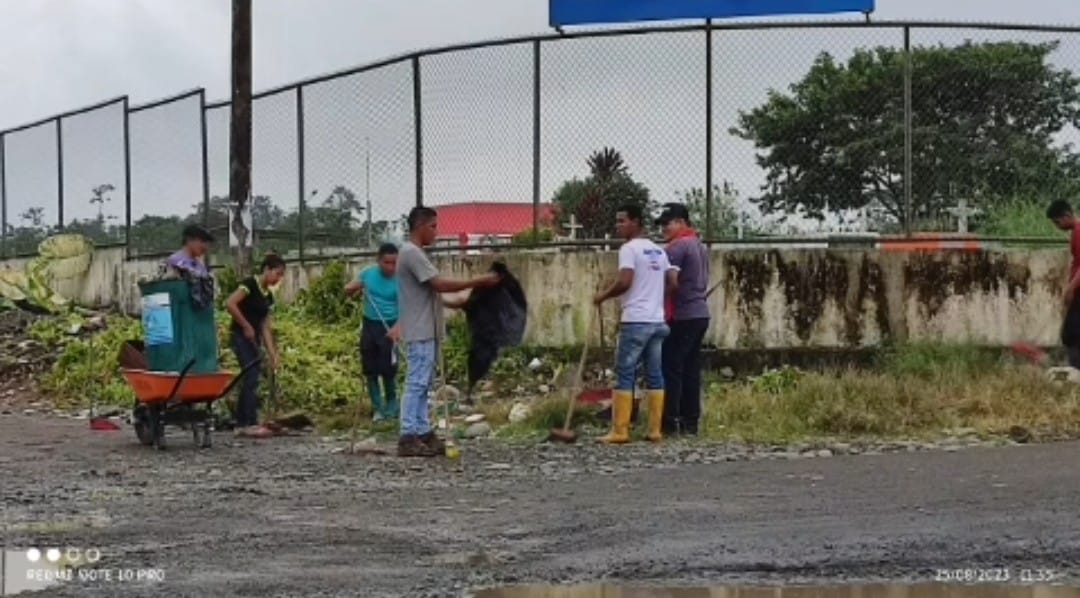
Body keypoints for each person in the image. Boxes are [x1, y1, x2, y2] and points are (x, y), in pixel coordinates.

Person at [396, 206, 499, 457]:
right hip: (420, 329)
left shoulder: (415, 253)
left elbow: (430, 293)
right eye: (433, 226)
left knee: (424, 383)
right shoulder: (411, 253)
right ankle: (408, 434)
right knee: (417, 382)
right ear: (420, 226)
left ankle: (422, 431)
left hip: (426, 328)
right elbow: (439, 284)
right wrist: (478, 280)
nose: (436, 232)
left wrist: (458, 302)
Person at [594, 204, 678, 444]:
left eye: (622, 221)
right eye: (618, 221)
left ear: (636, 222)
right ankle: (654, 430)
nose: (618, 225)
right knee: (655, 374)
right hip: (657, 321)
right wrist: (655, 299)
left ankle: (620, 431)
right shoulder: (659, 251)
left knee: (625, 372)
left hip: (636, 321)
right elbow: (673, 283)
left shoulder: (629, 249)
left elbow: (625, 281)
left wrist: (602, 296)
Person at [656, 203, 711, 436]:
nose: (663, 230)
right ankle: (691, 422)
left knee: (671, 368)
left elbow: (672, 281)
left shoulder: (677, 247)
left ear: (680, 222)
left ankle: (670, 421)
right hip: (700, 313)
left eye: (666, 224)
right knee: (690, 369)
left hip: (682, 315)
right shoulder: (698, 245)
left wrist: (657, 299)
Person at [225, 253, 287, 438]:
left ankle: (247, 420)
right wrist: (245, 326)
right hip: (240, 337)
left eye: (281, 275)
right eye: (277, 273)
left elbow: (265, 327)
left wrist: (273, 354)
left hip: (254, 339)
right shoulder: (249, 284)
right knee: (251, 374)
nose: (278, 279)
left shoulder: (268, 296)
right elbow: (230, 303)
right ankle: (245, 423)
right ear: (266, 269)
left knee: (254, 376)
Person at [345, 243, 401, 423]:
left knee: (389, 368)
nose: (391, 267)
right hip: (370, 324)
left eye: (394, 263)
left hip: (391, 325)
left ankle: (392, 406)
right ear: (378, 261)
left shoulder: (402, 278)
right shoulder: (368, 274)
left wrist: (398, 327)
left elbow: (407, 307)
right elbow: (348, 291)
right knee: (370, 368)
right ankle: (377, 408)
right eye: (387, 263)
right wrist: (355, 287)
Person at [1047, 200, 1080, 368]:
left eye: (1057, 222)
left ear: (1067, 215)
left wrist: (1071, 289)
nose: (1057, 227)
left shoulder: (1079, 231)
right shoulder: (1076, 231)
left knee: (1072, 333)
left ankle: (1076, 370)